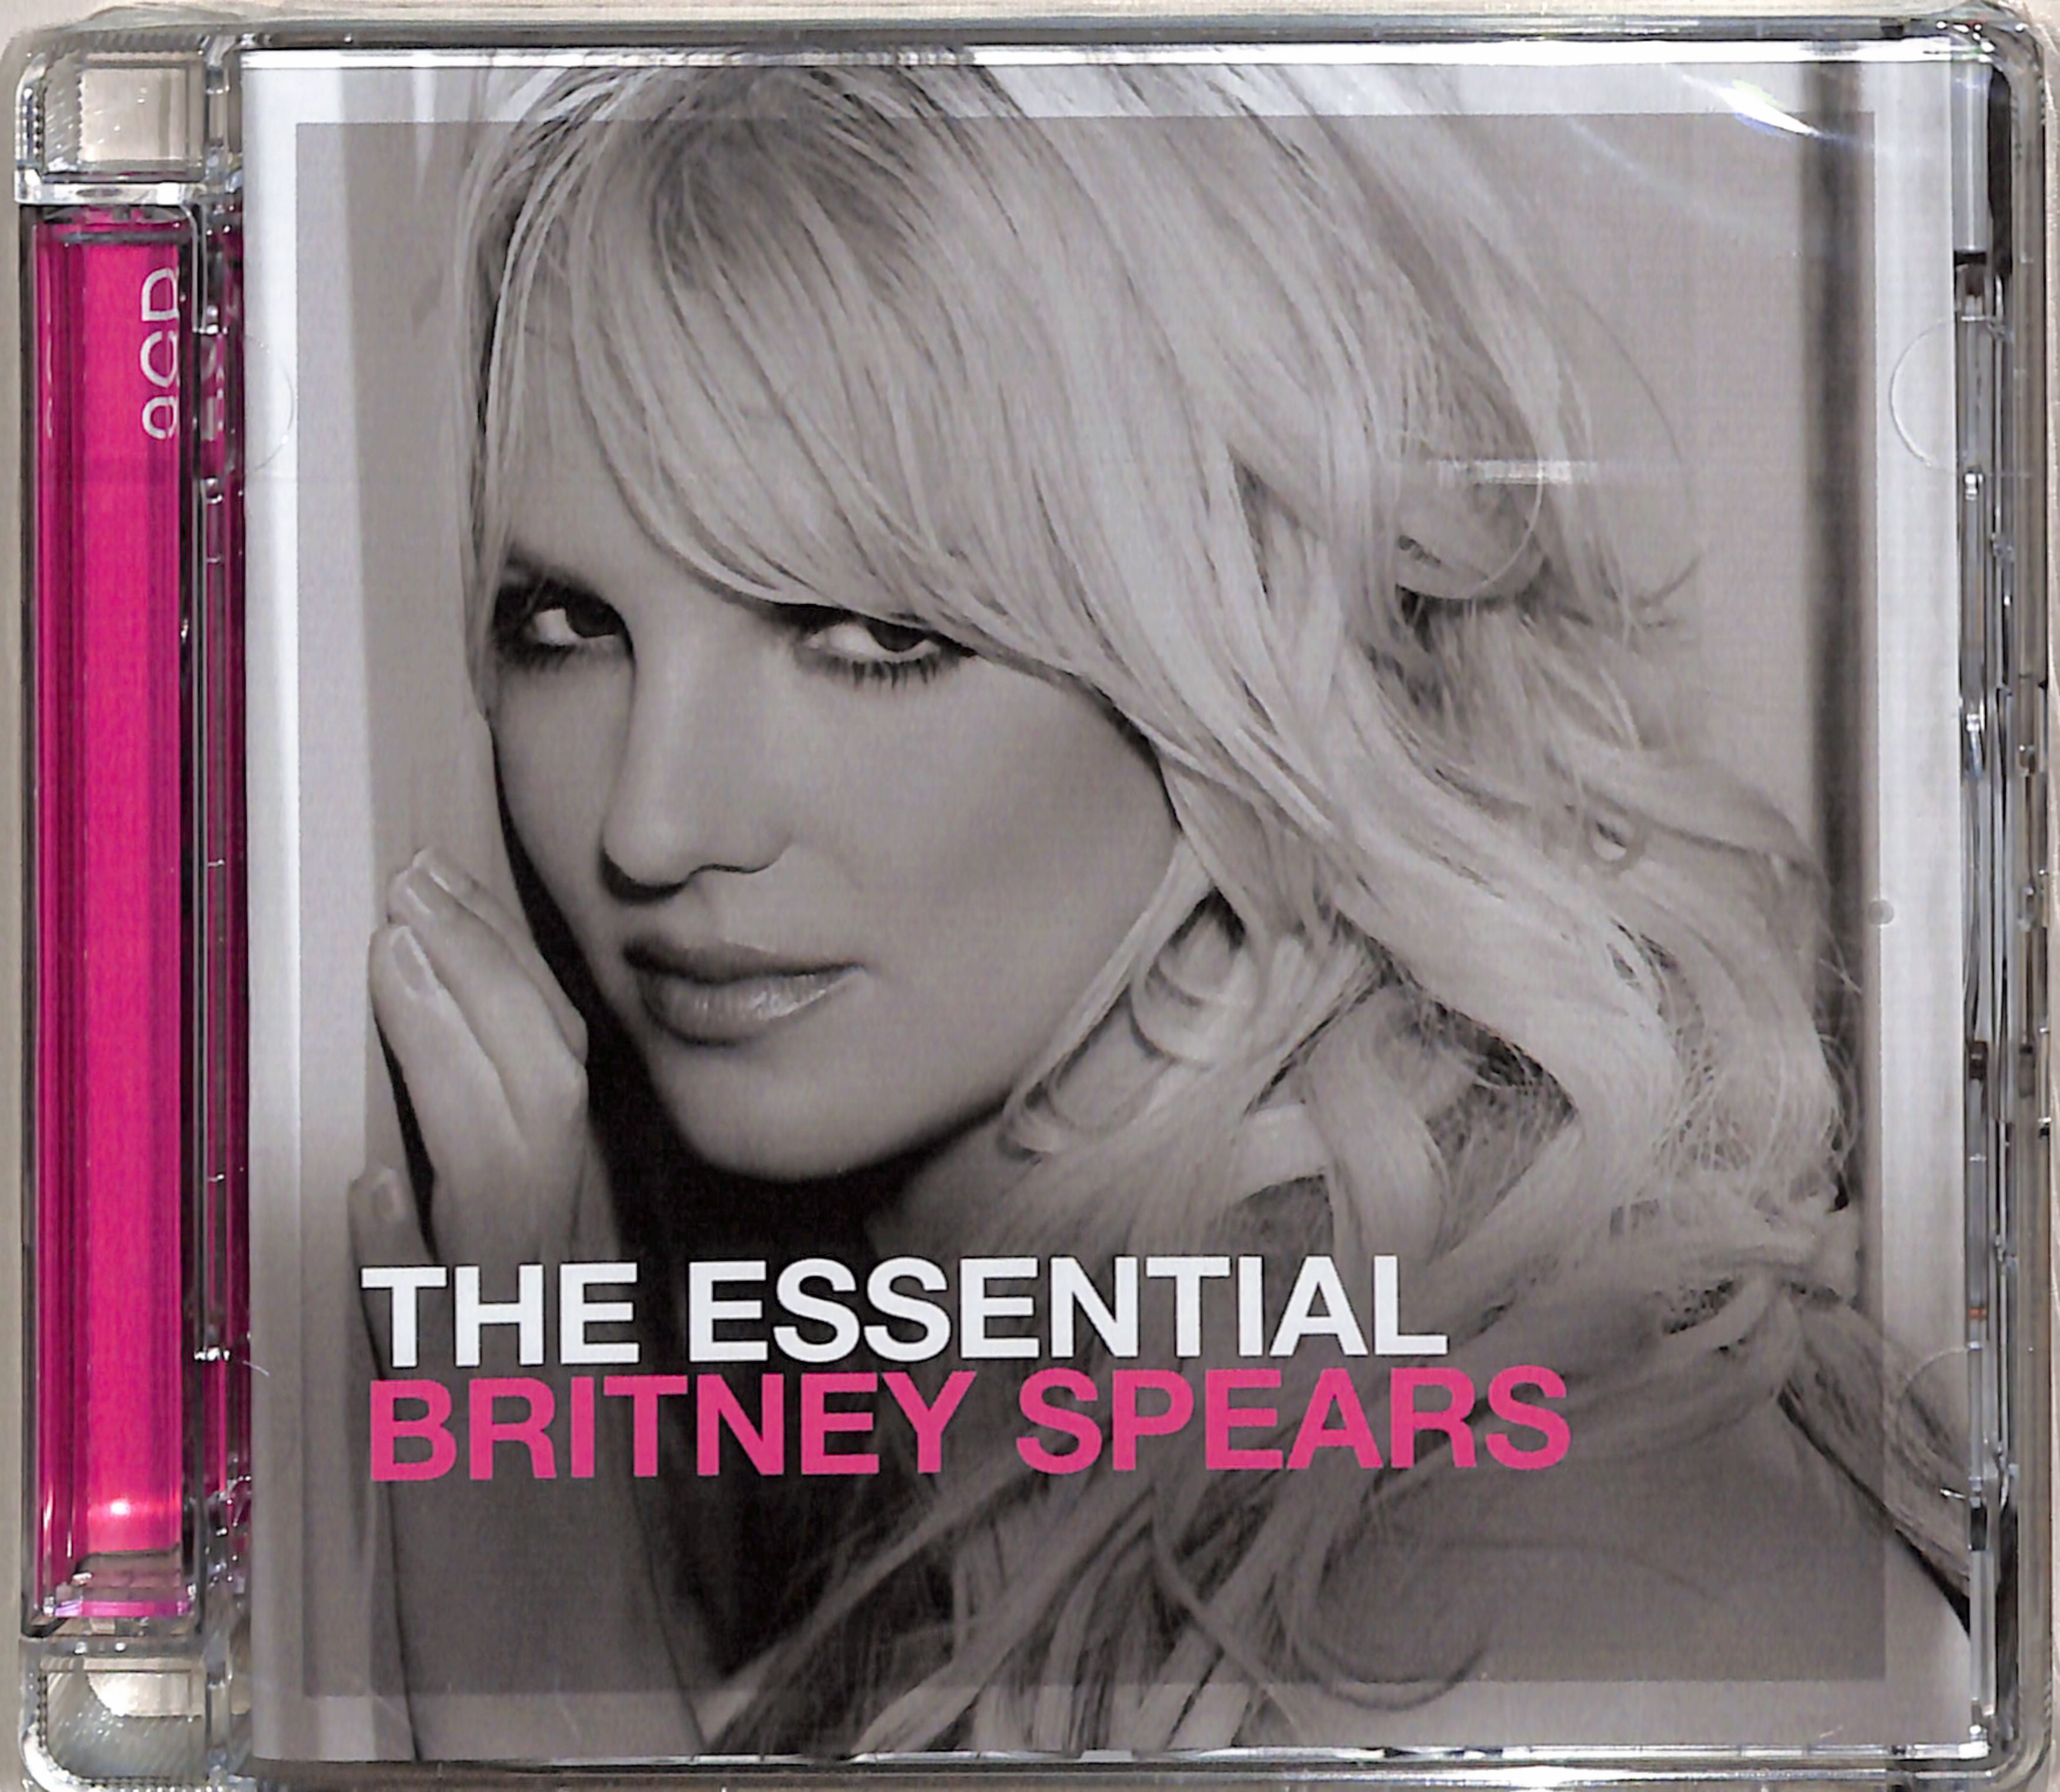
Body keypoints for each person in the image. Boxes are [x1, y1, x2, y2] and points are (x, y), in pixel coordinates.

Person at [350, 58, 1968, 1760]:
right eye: (565, 625)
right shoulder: (953, 1394)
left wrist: (555, 1662)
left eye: (872, 635)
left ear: (1240, 642)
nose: (651, 822)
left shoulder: (1561, 1563)